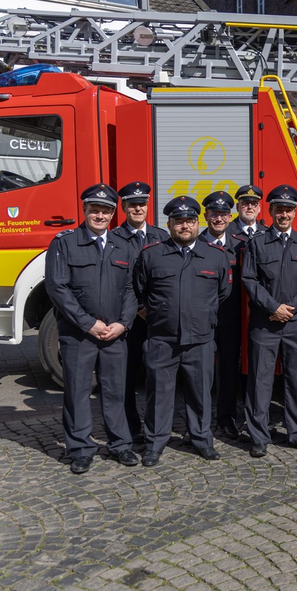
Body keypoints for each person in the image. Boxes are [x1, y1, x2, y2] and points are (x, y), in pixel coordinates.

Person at [46, 183, 139, 474]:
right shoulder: (65, 242)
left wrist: (123, 324)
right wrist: (88, 323)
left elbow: (131, 289)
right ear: (84, 210)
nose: (100, 215)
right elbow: (57, 288)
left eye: (105, 211)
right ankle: (80, 449)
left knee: (116, 391)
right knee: (77, 391)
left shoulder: (123, 245)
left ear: (113, 214)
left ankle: (120, 444)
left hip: (113, 334)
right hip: (78, 334)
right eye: (94, 210)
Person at [134, 196, 232, 467]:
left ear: (198, 223)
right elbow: (140, 291)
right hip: (162, 339)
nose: (185, 226)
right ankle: (155, 443)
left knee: (200, 393)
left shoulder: (215, 256)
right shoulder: (151, 255)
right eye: (179, 221)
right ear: (169, 224)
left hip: (200, 339)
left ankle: (202, 440)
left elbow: (223, 292)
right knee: (158, 394)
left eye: (190, 221)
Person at [242, 185, 297, 457]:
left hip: (296, 322)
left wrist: (293, 306)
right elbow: (249, 279)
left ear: (294, 212)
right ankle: (258, 437)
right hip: (265, 323)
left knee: (296, 379)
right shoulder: (257, 243)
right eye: (279, 209)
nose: (284, 214)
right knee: (260, 381)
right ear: (271, 211)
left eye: (288, 210)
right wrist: (273, 307)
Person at [112, 181, 170, 445]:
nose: (138, 208)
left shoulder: (161, 237)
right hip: (126, 320)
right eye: (133, 204)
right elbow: (115, 281)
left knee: (158, 377)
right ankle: (130, 427)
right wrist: (136, 309)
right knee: (125, 377)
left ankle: (156, 428)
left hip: (156, 320)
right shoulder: (112, 239)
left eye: (142, 204)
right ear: (123, 207)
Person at [199, 191, 245, 440]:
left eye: (224, 214)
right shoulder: (193, 244)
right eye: (214, 214)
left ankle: (226, 419)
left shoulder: (240, 246)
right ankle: (200, 422)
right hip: (200, 321)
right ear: (206, 215)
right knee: (200, 374)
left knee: (227, 372)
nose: (219, 219)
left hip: (229, 320)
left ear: (230, 216)